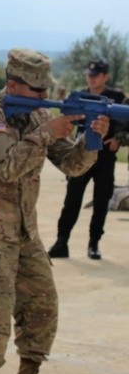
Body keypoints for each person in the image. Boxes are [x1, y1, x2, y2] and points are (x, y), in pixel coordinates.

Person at [0, 48, 109, 374]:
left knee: (43, 305)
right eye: (37, 92)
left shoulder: (38, 114)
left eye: (45, 92)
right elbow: (8, 167)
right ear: (13, 85)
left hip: (24, 232)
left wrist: (91, 139)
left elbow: (72, 166)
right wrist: (46, 132)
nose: (44, 99)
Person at [47, 59, 127, 260]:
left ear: (105, 76)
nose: (92, 78)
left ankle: (94, 244)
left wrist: (118, 138)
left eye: (96, 75)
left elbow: (126, 125)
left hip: (104, 158)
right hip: (80, 154)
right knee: (72, 200)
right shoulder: (80, 96)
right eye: (89, 75)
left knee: (101, 202)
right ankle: (61, 241)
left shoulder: (117, 98)